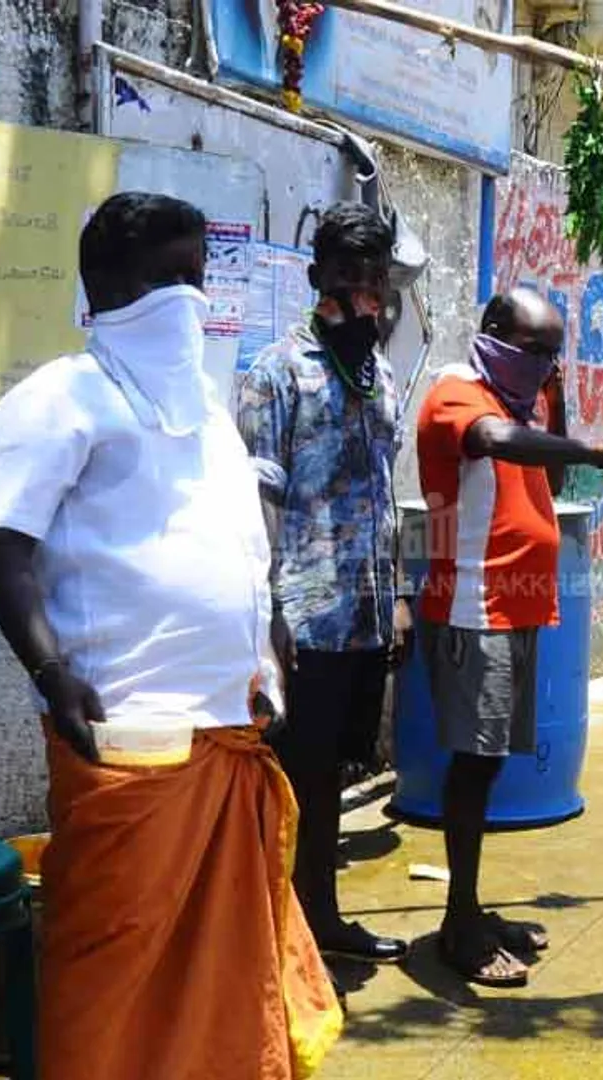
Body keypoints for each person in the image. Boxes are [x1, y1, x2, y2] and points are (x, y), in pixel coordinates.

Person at [0, 192, 342, 1079]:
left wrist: (268, 641)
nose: (188, 296)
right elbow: (3, 552)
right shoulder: (58, 398)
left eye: (196, 275)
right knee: (114, 969)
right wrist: (53, 672)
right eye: (164, 278)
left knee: (219, 979)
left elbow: (237, 543)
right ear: (101, 288)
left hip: (226, 734)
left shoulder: (213, 418)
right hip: (125, 749)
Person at [416, 287, 603, 986]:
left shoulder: (517, 403)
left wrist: (556, 396)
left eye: (553, 353)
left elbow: (546, 473)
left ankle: (472, 908)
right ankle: (458, 925)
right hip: (471, 606)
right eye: (533, 350)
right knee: (471, 764)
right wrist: (602, 453)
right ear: (491, 334)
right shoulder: (457, 392)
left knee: (487, 766)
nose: (541, 364)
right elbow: (491, 443)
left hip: (513, 608)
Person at [234, 202, 411, 965]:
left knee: (334, 775)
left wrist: (397, 598)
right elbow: (256, 502)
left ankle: (321, 921)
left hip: (365, 617)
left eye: (374, 283)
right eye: (347, 280)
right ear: (317, 281)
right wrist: (269, 614)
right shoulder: (277, 373)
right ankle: (274, 936)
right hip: (302, 620)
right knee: (289, 780)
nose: (363, 298)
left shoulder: (382, 375)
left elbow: (382, 492)